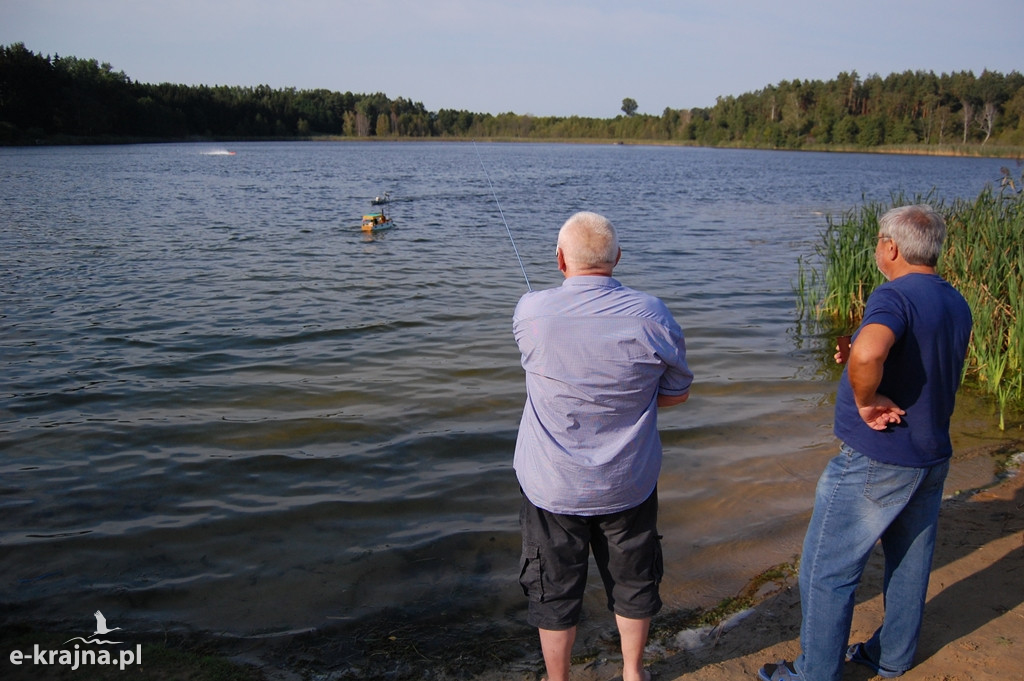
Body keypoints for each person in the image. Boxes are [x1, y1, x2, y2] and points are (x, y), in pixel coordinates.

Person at [759, 205, 973, 681]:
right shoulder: (954, 300)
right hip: (930, 453)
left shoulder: (893, 295)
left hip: (880, 457)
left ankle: (815, 673)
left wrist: (867, 398)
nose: (878, 247)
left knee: (825, 568)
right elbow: (909, 354)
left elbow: (875, 350)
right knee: (910, 562)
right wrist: (855, 350)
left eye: (879, 240)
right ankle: (892, 657)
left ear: (891, 248)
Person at [513, 211, 693, 681]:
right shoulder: (652, 313)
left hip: (552, 485)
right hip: (627, 482)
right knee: (633, 582)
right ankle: (633, 672)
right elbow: (677, 392)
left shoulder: (529, 311)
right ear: (617, 258)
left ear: (559, 260)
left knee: (554, 589)